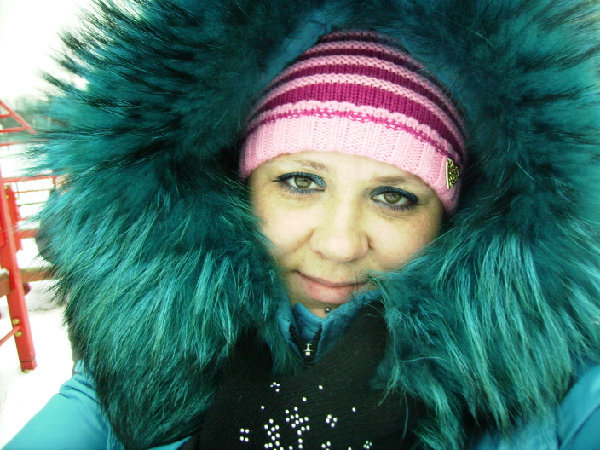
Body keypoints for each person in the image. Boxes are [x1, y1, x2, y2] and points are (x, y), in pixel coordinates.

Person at [6, 0, 600, 448]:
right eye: (301, 182)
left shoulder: (544, 383)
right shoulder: (138, 363)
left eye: (394, 196)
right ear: (241, 187)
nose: (340, 244)